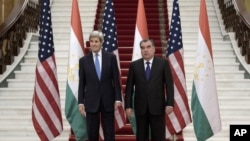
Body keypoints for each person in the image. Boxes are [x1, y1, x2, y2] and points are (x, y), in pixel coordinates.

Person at [125, 39, 174, 141]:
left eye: (148, 47)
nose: (145, 50)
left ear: (154, 49)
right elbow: (129, 88)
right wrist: (128, 106)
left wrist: (169, 103)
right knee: (141, 137)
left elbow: (169, 85)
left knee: (158, 136)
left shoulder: (163, 64)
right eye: (143, 48)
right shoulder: (134, 65)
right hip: (140, 108)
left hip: (157, 108)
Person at [78, 30, 122, 141]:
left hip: (108, 100)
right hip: (91, 100)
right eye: (91, 41)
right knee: (92, 133)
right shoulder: (83, 61)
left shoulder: (111, 58)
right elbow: (82, 83)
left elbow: (116, 80)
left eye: (96, 41)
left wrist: (118, 99)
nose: (93, 44)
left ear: (101, 42)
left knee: (109, 132)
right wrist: (80, 102)